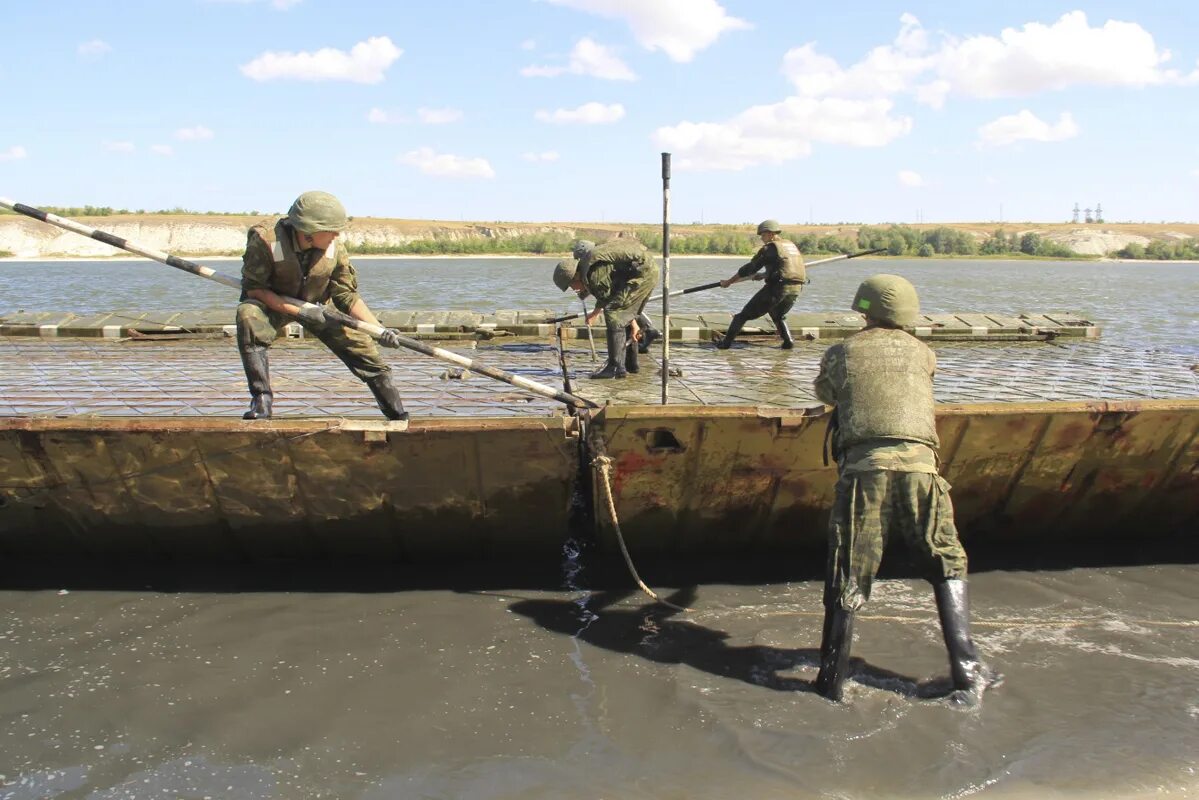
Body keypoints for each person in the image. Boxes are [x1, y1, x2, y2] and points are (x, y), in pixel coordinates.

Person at [811, 274, 1001, 706]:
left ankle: (831, 683)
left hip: (865, 471)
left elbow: (827, 392)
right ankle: (969, 673)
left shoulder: (842, 351)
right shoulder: (924, 353)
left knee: (850, 568)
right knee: (946, 559)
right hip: (924, 472)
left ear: (865, 311)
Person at [236, 190, 408, 421]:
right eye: (331, 230)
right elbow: (254, 289)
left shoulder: (334, 247)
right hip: (274, 304)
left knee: (365, 350)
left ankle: (397, 413)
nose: (337, 234)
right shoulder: (267, 241)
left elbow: (346, 295)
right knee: (248, 314)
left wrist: (378, 329)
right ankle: (262, 400)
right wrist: (300, 313)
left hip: (319, 308)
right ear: (308, 231)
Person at [552, 237, 659, 379]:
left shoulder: (594, 273)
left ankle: (615, 368)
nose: (574, 289)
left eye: (571, 285)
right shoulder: (589, 269)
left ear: (575, 276)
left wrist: (595, 313)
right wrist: (633, 323)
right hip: (644, 270)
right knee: (619, 315)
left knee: (613, 314)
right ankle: (630, 365)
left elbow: (607, 297)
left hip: (643, 273)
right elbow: (613, 292)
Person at [716, 219, 805, 349]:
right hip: (796, 289)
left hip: (777, 288)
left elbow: (750, 268)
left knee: (741, 316)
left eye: (762, 235)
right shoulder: (790, 245)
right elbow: (785, 268)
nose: (762, 239)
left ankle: (725, 344)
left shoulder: (770, 248)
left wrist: (728, 282)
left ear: (770, 233)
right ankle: (788, 342)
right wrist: (764, 275)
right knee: (778, 315)